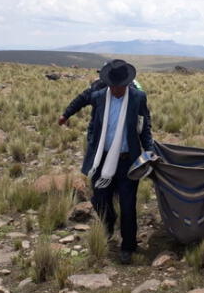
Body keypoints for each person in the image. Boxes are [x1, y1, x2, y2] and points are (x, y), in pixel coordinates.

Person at [58, 59, 153, 264]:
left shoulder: (138, 98)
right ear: (108, 83)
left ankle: (128, 246)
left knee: (128, 206)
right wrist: (65, 115)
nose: (117, 90)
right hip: (102, 159)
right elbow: (80, 99)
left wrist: (150, 150)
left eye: (121, 86)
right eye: (114, 86)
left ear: (127, 83)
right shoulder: (100, 96)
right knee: (100, 199)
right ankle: (109, 222)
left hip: (128, 161)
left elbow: (144, 127)